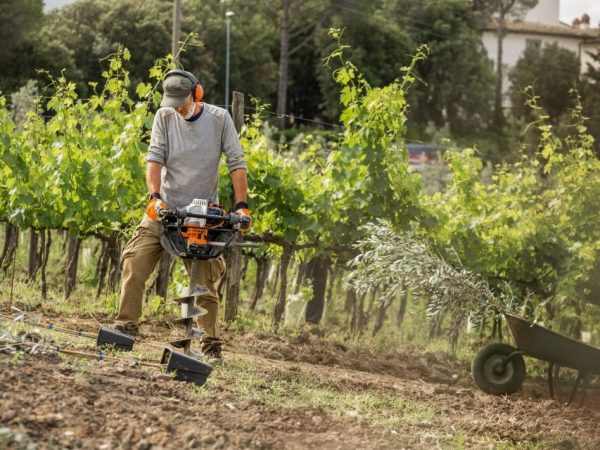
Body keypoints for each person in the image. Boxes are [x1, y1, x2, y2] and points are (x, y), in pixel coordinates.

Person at [114, 70, 250, 362]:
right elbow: (154, 158)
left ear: (197, 94)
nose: (178, 107)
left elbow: (236, 163)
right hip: (166, 211)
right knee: (134, 260)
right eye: (173, 101)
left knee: (204, 284)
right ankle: (124, 328)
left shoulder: (219, 119)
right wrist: (155, 198)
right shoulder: (164, 117)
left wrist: (242, 206)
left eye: (182, 101)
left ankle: (211, 346)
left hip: (200, 217)